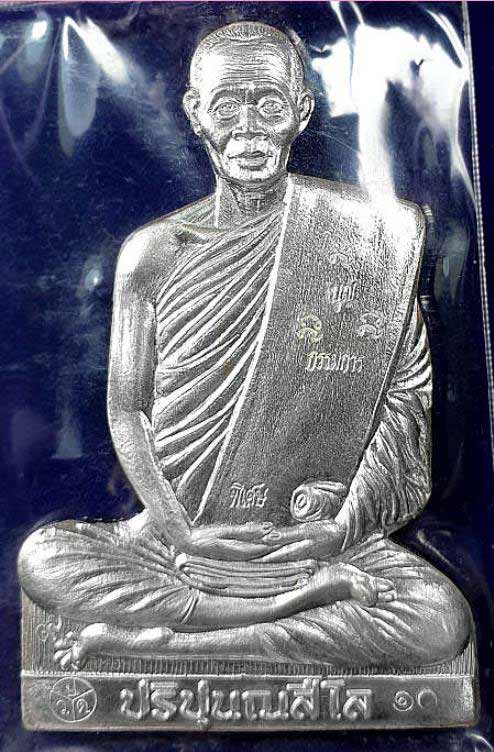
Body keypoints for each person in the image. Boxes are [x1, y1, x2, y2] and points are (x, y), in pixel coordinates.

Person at [18, 21, 471, 671]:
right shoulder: (152, 253)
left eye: (269, 104)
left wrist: (342, 527)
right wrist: (180, 532)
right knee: (46, 559)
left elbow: (405, 403)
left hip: (318, 545)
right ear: (196, 114)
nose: (249, 128)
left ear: (302, 112)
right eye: (228, 106)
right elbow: (128, 409)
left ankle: (174, 639)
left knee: (439, 619)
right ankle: (283, 613)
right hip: (175, 540)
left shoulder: (371, 241)